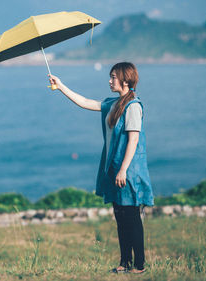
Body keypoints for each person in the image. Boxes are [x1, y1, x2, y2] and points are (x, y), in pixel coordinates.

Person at [48, 62, 154, 274]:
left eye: (113, 77)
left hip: (128, 171)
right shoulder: (113, 104)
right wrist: (61, 86)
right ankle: (124, 263)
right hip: (114, 169)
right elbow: (86, 102)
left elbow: (133, 141)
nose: (109, 80)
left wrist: (123, 169)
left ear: (125, 80)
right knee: (120, 218)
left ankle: (139, 265)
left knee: (132, 218)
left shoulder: (133, 106)